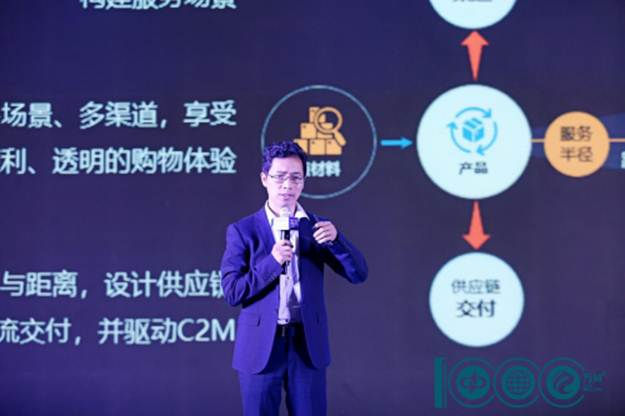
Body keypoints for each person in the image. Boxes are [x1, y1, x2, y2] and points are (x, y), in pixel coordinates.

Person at [220, 140, 368, 416]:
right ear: (264, 179)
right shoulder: (243, 230)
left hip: (306, 346)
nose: (287, 185)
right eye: (279, 177)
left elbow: (358, 274)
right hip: (261, 348)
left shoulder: (316, 227)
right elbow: (232, 291)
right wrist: (272, 262)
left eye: (296, 178)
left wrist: (337, 240)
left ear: (303, 182)